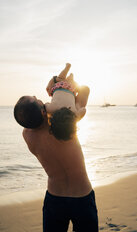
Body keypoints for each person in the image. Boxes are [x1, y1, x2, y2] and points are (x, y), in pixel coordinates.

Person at [14, 67, 98, 232]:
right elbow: (81, 99)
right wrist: (65, 86)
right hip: (82, 196)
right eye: (39, 100)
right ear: (43, 111)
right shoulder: (66, 124)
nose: (42, 100)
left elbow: (33, 119)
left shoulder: (28, 136)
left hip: (55, 198)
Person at [45, 63, 86, 141]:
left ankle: (71, 77)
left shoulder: (73, 112)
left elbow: (83, 109)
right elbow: (46, 104)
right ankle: (67, 69)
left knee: (70, 82)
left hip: (71, 89)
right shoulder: (51, 109)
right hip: (57, 86)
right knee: (60, 78)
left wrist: (76, 117)